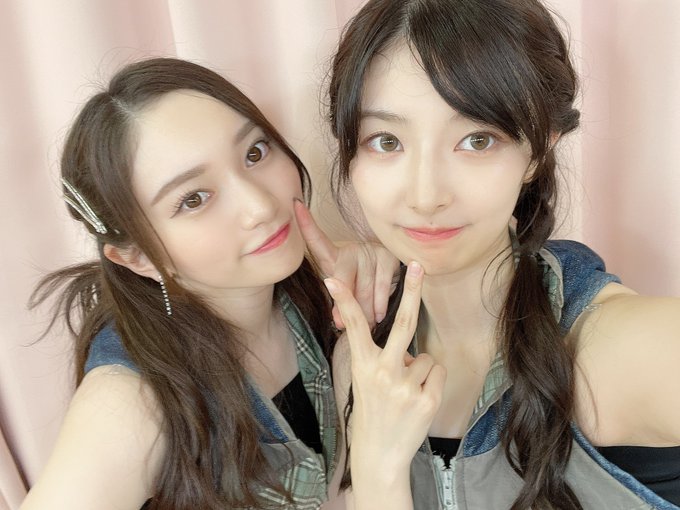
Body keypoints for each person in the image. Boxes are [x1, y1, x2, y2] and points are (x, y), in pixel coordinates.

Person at [322, 1, 680, 509]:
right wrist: (378, 472)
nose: (425, 195)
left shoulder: (626, 348)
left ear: (538, 150)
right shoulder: (360, 361)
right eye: (386, 141)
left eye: (477, 140)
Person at [21, 57, 397, 510]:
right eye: (194, 199)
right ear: (138, 258)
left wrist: (377, 276)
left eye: (255, 153)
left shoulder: (311, 287)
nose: (260, 206)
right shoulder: (130, 402)